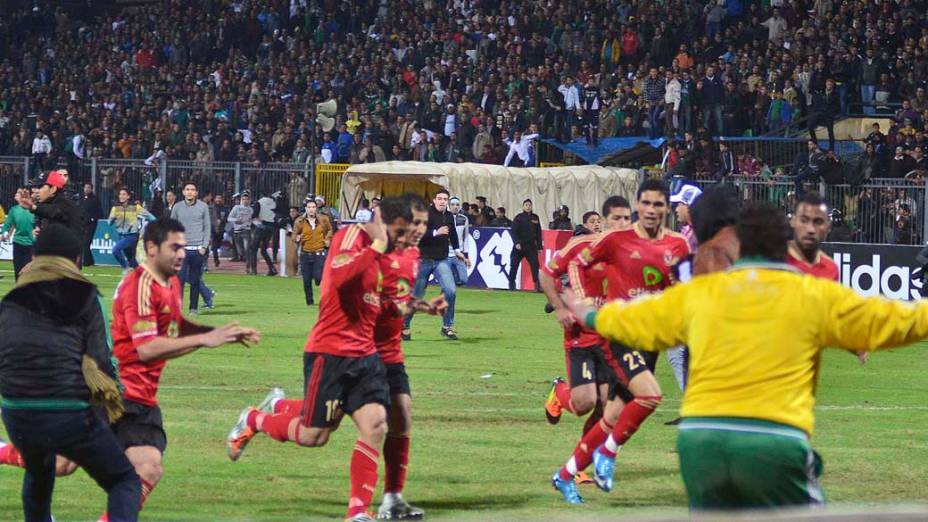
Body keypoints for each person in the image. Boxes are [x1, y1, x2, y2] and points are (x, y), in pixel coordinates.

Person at [562, 201, 928, 510]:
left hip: (700, 440)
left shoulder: (706, 292)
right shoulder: (811, 295)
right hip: (771, 438)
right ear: (785, 243)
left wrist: (590, 314)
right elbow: (900, 322)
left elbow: (638, 319)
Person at [225, 198, 413, 522]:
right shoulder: (353, 238)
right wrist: (376, 250)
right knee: (315, 435)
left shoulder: (390, 258)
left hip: (365, 357)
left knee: (375, 425)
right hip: (330, 353)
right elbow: (340, 277)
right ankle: (255, 419)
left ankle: (357, 511)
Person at [106, 218, 259, 521]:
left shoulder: (171, 282)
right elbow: (146, 348)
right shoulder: (140, 285)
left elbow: (175, 329)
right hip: (116, 394)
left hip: (142, 397)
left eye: (183, 247)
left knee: (147, 469)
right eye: (174, 247)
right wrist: (206, 339)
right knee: (63, 463)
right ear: (151, 248)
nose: (181, 254)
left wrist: (217, 333)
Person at [0, 224, 141, 522]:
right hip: (67, 409)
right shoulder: (86, 295)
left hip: (16, 411)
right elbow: (101, 358)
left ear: (35, 258)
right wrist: (117, 402)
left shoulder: (11, 300)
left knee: (40, 473)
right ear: (76, 260)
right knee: (124, 481)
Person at [563, 179, 690, 496]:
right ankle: (607, 453)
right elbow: (578, 264)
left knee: (613, 413)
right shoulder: (616, 239)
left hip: (650, 338)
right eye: (646, 203)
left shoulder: (677, 245)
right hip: (619, 334)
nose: (651, 210)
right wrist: (583, 299)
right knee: (650, 396)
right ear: (637, 205)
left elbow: (681, 289)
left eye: (658, 204)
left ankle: (566, 474)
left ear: (665, 208)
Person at [540, 196, 632, 499]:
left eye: (626, 219)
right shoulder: (581, 247)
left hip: (610, 340)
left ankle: (579, 465)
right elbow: (546, 273)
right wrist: (559, 306)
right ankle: (559, 393)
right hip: (581, 337)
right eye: (616, 219)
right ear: (602, 221)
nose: (622, 225)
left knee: (608, 406)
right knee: (583, 404)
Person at [371, 194, 446, 519]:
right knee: (315, 431)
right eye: (415, 222)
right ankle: (263, 417)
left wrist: (422, 306)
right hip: (356, 350)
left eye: (424, 223)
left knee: (401, 415)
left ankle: (392, 498)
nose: (420, 229)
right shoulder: (374, 253)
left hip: (391, 352)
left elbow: (400, 299)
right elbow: (362, 299)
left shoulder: (413, 255)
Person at [403, 189, 466, 341]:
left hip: (441, 260)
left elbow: (453, 235)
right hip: (423, 259)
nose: (443, 201)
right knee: (416, 296)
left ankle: (447, 326)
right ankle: (404, 325)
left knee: (450, 291)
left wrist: (457, 251)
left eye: (445, 199)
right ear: (434, 200)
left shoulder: (449, 216)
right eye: (440, 198)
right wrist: (434, 233)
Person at [171, 182, 212, 314]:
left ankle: (193, 308)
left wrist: (204, 247)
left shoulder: (203, 206)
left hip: (197, 249)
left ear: (196, 193)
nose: (189, 192)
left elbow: (207, 228)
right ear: (183, 192)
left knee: (195, 280)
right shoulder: (177, 207)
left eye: (192, 190)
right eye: (187, 189)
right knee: (180, 279)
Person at [292, 199, 333, 306]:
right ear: (306, 209)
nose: (311, 209)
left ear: (316, 208)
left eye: (313, 207)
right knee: (306, 280)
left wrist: (328, 239)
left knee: (318, 277)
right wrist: (297, 238)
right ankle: (309, 301)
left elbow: (330, 230)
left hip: (319, 252)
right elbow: (294, 235)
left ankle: (318, 280)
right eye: (309, 207)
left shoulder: (323, 219)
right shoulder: (299, 221)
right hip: (305, 253)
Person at [110, 188, 153, 274]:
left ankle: (126, 269)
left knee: (115, 250)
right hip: (121, 236)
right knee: (132, 260)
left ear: (128, 196)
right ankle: (143, 275)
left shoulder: (135, 207)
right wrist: (113, 218)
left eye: (124, 194)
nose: (121, 196)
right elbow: (110, 222)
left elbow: (151, 217)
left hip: (132, 236)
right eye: (120, 194)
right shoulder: (115, 208)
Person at [34, 169, 83, 240]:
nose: (37, 191)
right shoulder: (46, 203)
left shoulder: (64, 204)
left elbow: (54, 211)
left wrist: (33, 207)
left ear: (53, 189)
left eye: (40, 187)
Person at [1, 188, 36, 280]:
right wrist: (4, 233)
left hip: (31, 243)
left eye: (18, 193)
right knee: (18, 270)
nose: (15, 195)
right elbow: (7, 224)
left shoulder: (33, 210)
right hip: (18, 243)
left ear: (23, 197)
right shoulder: (14, 210)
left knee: (28, 271)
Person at [508, 199, 542, 291]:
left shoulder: (535, 217)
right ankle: (511, 284)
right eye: (526, 205)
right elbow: (513, 231)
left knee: (535, 265)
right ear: (523, 207)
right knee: (514, 265)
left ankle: (537, 285)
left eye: (529, 205)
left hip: (531, 246)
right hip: (520, 246)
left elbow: (538, 233)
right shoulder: (518, 217)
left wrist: (539, 246)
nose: (528, 207)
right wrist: (516, 243)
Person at [252, 192, 279, 276]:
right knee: (264, 250)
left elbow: (254, 216)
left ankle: (254, 270)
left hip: (261, 227)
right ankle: (272, 268)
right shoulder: (274, 203)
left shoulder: (259, 202)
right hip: (271, 229)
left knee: (253, 248)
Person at [228, 191, 254, 272]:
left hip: (246, 230)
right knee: (241, 251)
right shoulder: (236, 208)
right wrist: (236, 220)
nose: (245, 201)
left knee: (247, 249)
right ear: (241, 200)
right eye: (243, 199)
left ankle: (248, 267)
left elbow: (253, 219)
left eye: (247, 199)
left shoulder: (251, 209)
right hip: (237, 231)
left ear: (249, 200)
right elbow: (229, 218)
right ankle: (243, 257)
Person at [448, 197, 471, 285]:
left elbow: (465, 237)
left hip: (459, 254)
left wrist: (466, 255)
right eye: (453, 205)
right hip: (446, 254)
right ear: (449, 206)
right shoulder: (443, 218)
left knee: (464, 279)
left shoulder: (464, 219)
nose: (455, 207)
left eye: (457, 205)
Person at [80, 183, 103, 267]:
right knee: (83, 243)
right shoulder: (81, 198)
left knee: (86, 243)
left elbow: (100, 212)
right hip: (82, 223)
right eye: (85, 187)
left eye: (88, 188)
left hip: (91, 225)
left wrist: (93, 219)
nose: (86, 189)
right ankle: (90, 261)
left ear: (91, 189)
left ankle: (87, 262)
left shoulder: (95, 199)